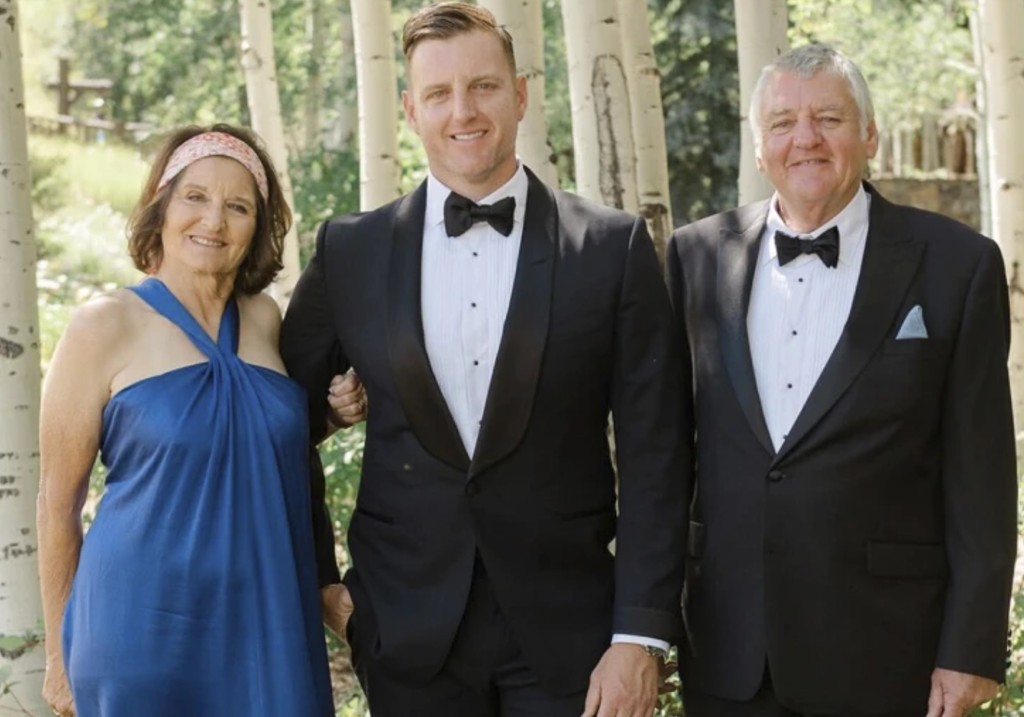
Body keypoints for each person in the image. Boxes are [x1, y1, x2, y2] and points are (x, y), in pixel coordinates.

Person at [280, 3, 690, 715]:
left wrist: (639, 634)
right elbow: (280, 424)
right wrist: (322, 581)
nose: (462, 111)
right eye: (438, 93)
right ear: (411, 109)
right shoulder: (349, 251)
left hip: (573, 638)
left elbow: (659, 451)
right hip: (405, 635)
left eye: (484, 86)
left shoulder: (611, 249)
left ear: (520, 94)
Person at [665, 44, 1017, 717]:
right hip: (729, 655)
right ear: (759, 147)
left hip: (887, 654)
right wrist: (647, 625)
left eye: (828, 118)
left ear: (870, 135)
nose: (805, 138)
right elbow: (667, 457)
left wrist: (971, 647)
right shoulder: (696, 255)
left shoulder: (958, 265)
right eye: (783, 123)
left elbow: (983, 474)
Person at [36, 124, 362, 717]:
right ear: (160, 206)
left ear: (258, 227)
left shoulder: (265, 319)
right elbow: (58, 505)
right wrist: (59, 659)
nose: (214, 220)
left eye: (238, 206)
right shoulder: (102, 326)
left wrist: (332, 415)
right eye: (195, 196)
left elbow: (251, 444)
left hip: (266, 627)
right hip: (140, 631)